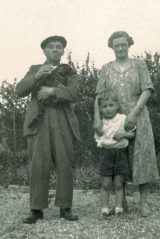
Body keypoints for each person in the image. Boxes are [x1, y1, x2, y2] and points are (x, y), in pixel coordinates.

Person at [94, 31, 159, 217]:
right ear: (112, 47)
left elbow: (147, 89)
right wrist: (97, 118)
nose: (120, 48)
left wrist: (134, 112)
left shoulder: (139, 64)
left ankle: (144, 203)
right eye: (117, 45)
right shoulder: (106, 68)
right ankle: (122, 202)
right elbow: (99, 95)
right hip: (114, 119)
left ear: (129, 45)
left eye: (123, 44)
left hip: (138, 116)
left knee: (141, 157)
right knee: (118, 157)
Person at [16, 35, 81, 223]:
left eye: (58, 47)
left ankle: (65, 208)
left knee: (64, 163)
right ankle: (36, 210)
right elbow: (19, 90)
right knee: (38, 164)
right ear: (44, 51)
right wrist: (37, 77)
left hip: (62, 120)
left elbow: (75, 92)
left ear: (63, 51)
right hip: (39, 121)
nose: (55, 50)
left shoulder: (69, 71)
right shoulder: (35, 69)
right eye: (51, 47)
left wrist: (52, 91)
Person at [94, 89, 135, 218]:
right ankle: (104, 209)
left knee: (118, 183)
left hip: (120, 154)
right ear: (100, 108)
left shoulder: (123, 118)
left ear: (117, 105)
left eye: (111, 105)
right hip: (106, 154)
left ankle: (119, 208)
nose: (108, 109)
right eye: (104, 106)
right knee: (106, 183)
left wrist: (124, 134)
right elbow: (98, 139)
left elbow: (133, 133)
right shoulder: (100, 123)